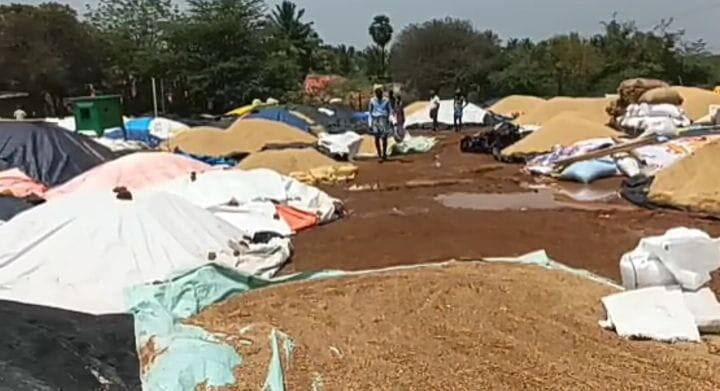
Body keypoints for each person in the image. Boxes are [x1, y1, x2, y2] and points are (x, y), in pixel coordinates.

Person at [368, 85, 392, 161]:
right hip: (375, 119)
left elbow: (390, 110)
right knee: (376, 137)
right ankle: (379, 154)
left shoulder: (386, 100)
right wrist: (370, 122)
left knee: (384, 137)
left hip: (384, 118)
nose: (378, 93)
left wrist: (391, 119)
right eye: (376, 91)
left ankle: (384, 153)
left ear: (381, 92)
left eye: (379, 91)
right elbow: (370, 111)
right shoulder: (372, 100)